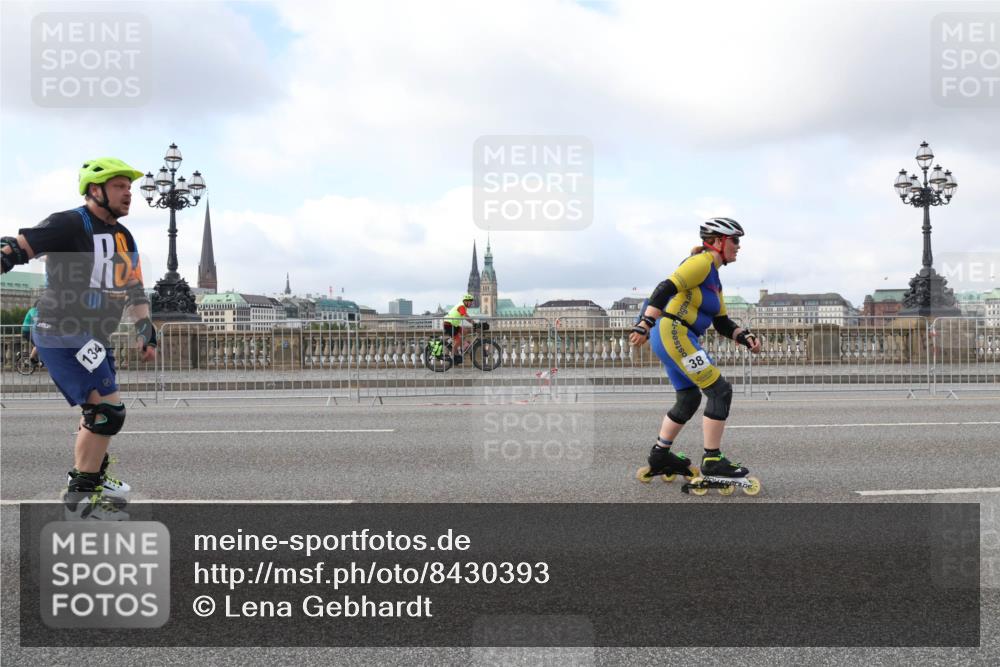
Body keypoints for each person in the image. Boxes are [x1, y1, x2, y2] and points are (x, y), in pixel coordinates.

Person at [1, 157, 157, 520]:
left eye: (129, 187)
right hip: (61, 329)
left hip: (94, 335)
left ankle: (93, 480)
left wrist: (145, 329)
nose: (128, 193)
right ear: (95, 190)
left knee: (101, 412)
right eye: (119, 186)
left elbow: (133, 287)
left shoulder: (123, 236)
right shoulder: (69, 223)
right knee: (107, 412)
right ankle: (82, 497)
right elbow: (14, 249)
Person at [629, 217, 762, 490]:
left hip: (675, 335)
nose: (738, 246)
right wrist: (644, 324)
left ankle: (660, 455)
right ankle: (712, 460)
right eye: (735, 240)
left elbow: (722, 322)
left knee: (689, 397)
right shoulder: (701, 262)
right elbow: (665, 288)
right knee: (719, 390)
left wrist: (744, 336)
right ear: (717, 241)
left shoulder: (715, 279)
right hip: (674, 332)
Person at [443, 293, 477, 364]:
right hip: (448, 324)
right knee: (458, 339)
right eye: (470, 302)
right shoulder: (461, 306)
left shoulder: (463, 306)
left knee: (465, 331)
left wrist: (474, 322)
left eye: (471, 302)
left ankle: (462, 345)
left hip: (453, 325)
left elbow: (466, 315)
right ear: (466, 301)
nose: (471, 303)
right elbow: (465, 316)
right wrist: (474, 323)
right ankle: (453, 354)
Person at [21, 300, 39, 364]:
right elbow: (35, 319)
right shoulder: (33, 310)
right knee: (38, 344)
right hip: (27, 331)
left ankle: (35, 357)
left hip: (31, 331)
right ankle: (31, 358)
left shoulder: (37, 311)